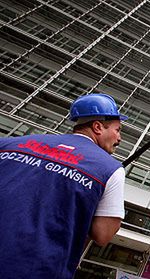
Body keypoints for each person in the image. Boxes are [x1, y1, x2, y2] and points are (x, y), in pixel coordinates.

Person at [0, 93, 128, 279]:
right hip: (38, 270)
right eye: (117, 130)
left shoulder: (8, 145)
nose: (119, 138)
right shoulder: (110, 169)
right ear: (98, 127)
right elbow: (103, 234)